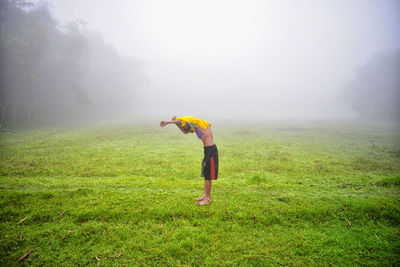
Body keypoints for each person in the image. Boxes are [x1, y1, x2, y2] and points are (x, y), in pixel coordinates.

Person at [160, 116, 218, 205]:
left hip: (210, 150)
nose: (184, 126)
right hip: (208, 150)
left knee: (208, 175)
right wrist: (175, 123)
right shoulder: (196, 124)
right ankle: (205, 195)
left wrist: (169, 122)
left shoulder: (190, 120)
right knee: (206, 173)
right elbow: (185, 131)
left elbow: (182, 121)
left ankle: (208, 199)